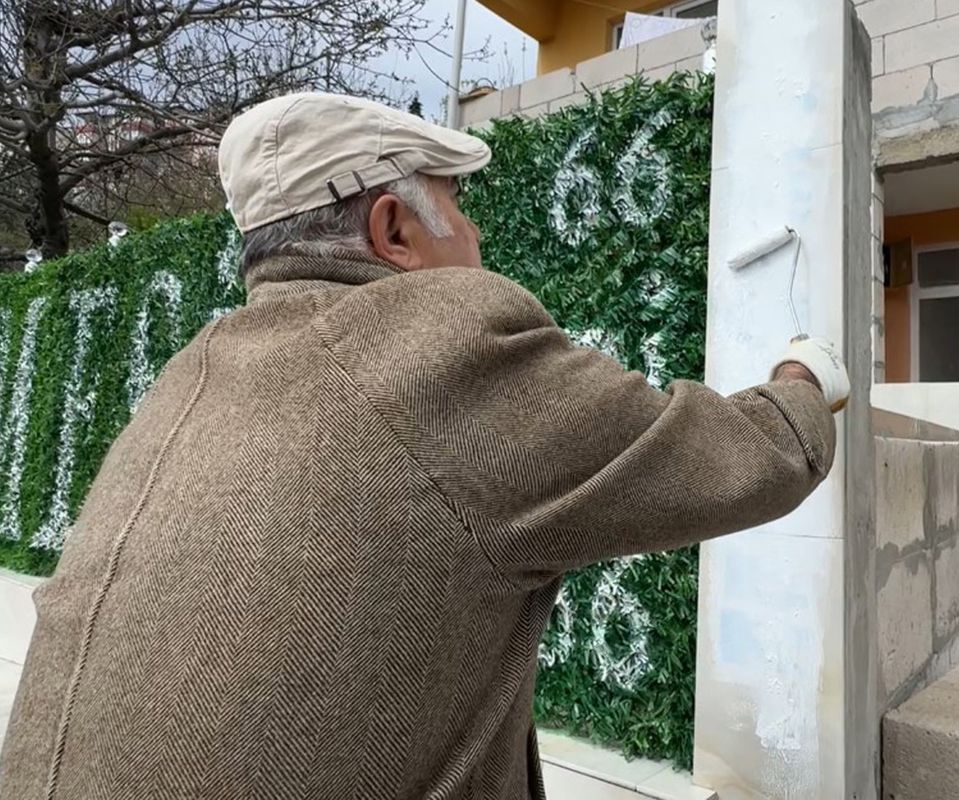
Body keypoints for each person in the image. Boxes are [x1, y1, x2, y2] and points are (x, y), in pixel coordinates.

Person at [0, 93, 849, 800]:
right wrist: (803, 375)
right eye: (459, 204)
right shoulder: (437, 348)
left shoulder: (189, 375)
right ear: (394, 230)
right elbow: (748, 456)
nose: (476, 233)